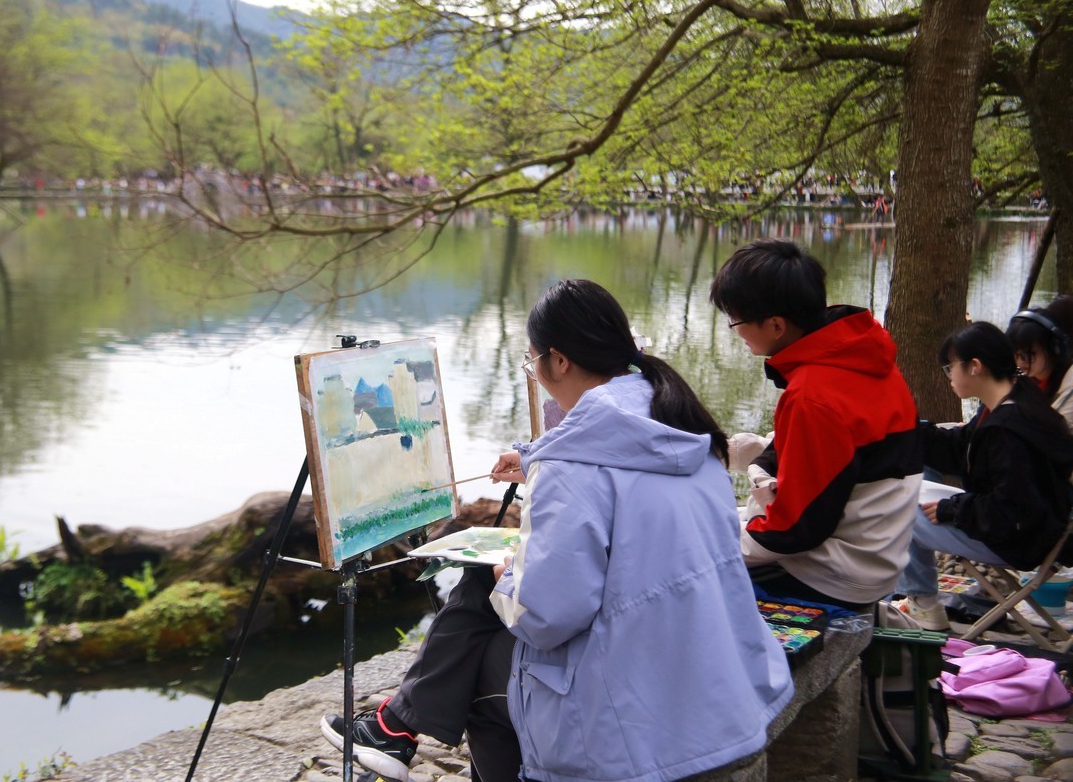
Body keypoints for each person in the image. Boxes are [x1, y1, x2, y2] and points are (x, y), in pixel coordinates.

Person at [321, 279, 794, 782]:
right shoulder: (684, 428)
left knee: (482, 663)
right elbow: (619, 466)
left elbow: (545, 616)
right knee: (488, 612)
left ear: (559, 361)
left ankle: (400, 728)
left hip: (644, 717)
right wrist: (533, 461)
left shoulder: (570, 469)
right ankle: (396, 728)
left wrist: (508, 574)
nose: (535, 374)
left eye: (532, 362)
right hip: (716, 680)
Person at [709, 238, 923, 609]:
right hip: (879, 557)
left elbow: (795, 529)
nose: (735, 331)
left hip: (836, 574)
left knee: (687, 576)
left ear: (776, 325)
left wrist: (715, 545)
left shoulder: (813, 394)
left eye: (736, 321)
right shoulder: (865, 358)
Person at [896, 322, 1073, 630]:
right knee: (914, 480)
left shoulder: (1009, 430)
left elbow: (1012, 510)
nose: (950, 376)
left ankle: (923, 604)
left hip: (1020, 541)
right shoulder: (1012, 404)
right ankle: (921, 600)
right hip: (1031, 529)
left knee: (900, 509)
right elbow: (958, 448)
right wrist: (907, 427)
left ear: (974, 367)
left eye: (951, 367)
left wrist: (954, 508)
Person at [1006, 299, 1073, 429]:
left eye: (1027, 355)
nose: (1019, 362)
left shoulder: (1070, 386)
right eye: (1015, 355)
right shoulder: (1029, 380)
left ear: (1053, 348)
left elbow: (1051, 435)